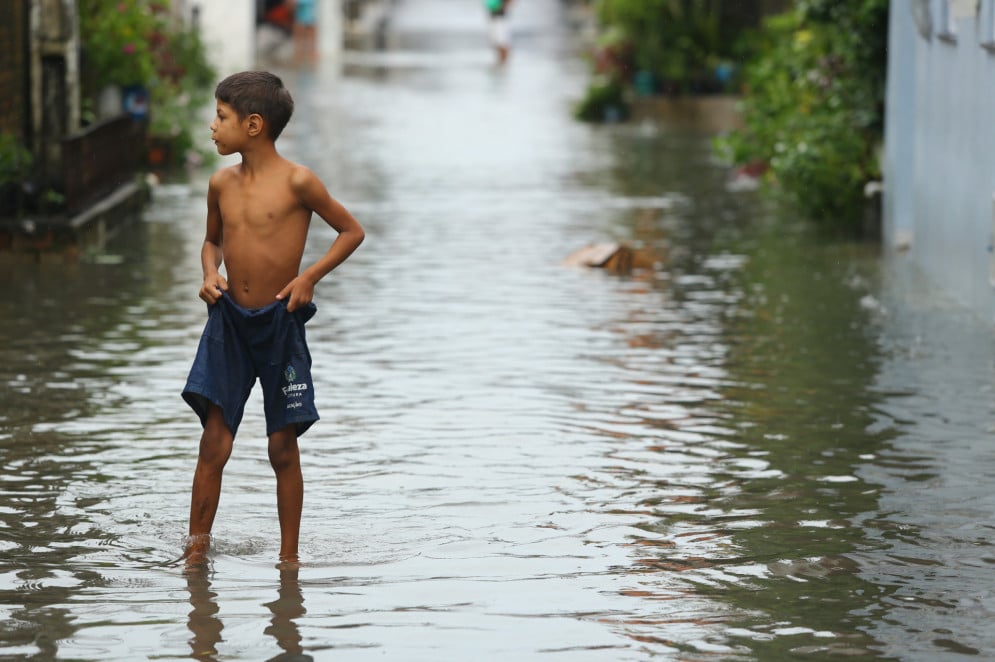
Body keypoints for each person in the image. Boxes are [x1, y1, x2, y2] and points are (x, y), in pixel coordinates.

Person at [181, 71, 365, 567]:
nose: (212, 127)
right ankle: (194, 556)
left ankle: (289, 561)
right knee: (214, 441)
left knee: (281, 447)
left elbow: (351, 231)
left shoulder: (299, 181)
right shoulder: (221, 183)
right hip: (228, 323)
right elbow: (212, 241)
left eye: (221, 117)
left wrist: (309, 278)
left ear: (254, 124)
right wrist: (207, 271)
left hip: (280, 322)